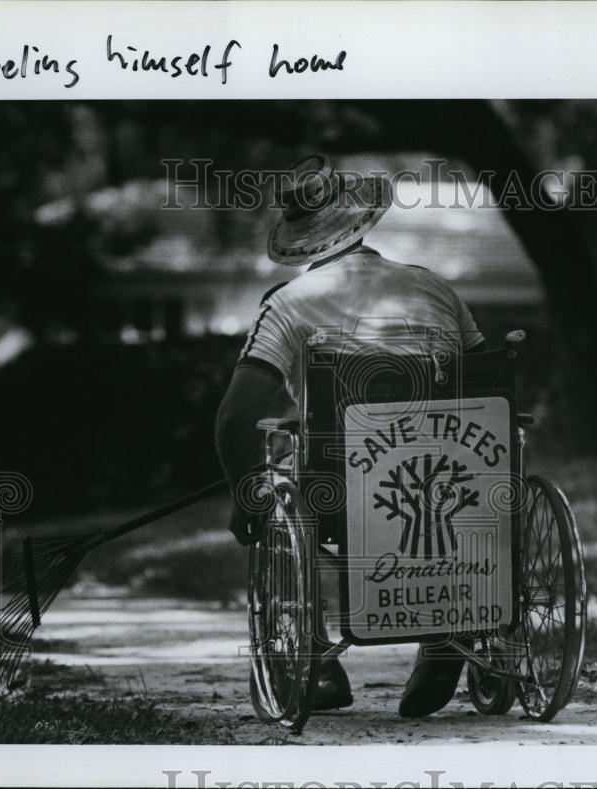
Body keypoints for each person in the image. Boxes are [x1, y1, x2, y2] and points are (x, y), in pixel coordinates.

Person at [215, 155, 485, 718]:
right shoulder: (435, 288)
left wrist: (246, 498)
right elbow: (488, 385)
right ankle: (444, 637)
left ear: (304, 241)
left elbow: (234, 420)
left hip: (343, 488)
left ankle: (318, 661)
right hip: (459, 482)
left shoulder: (287, 305)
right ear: (361, 224)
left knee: (293, 491)